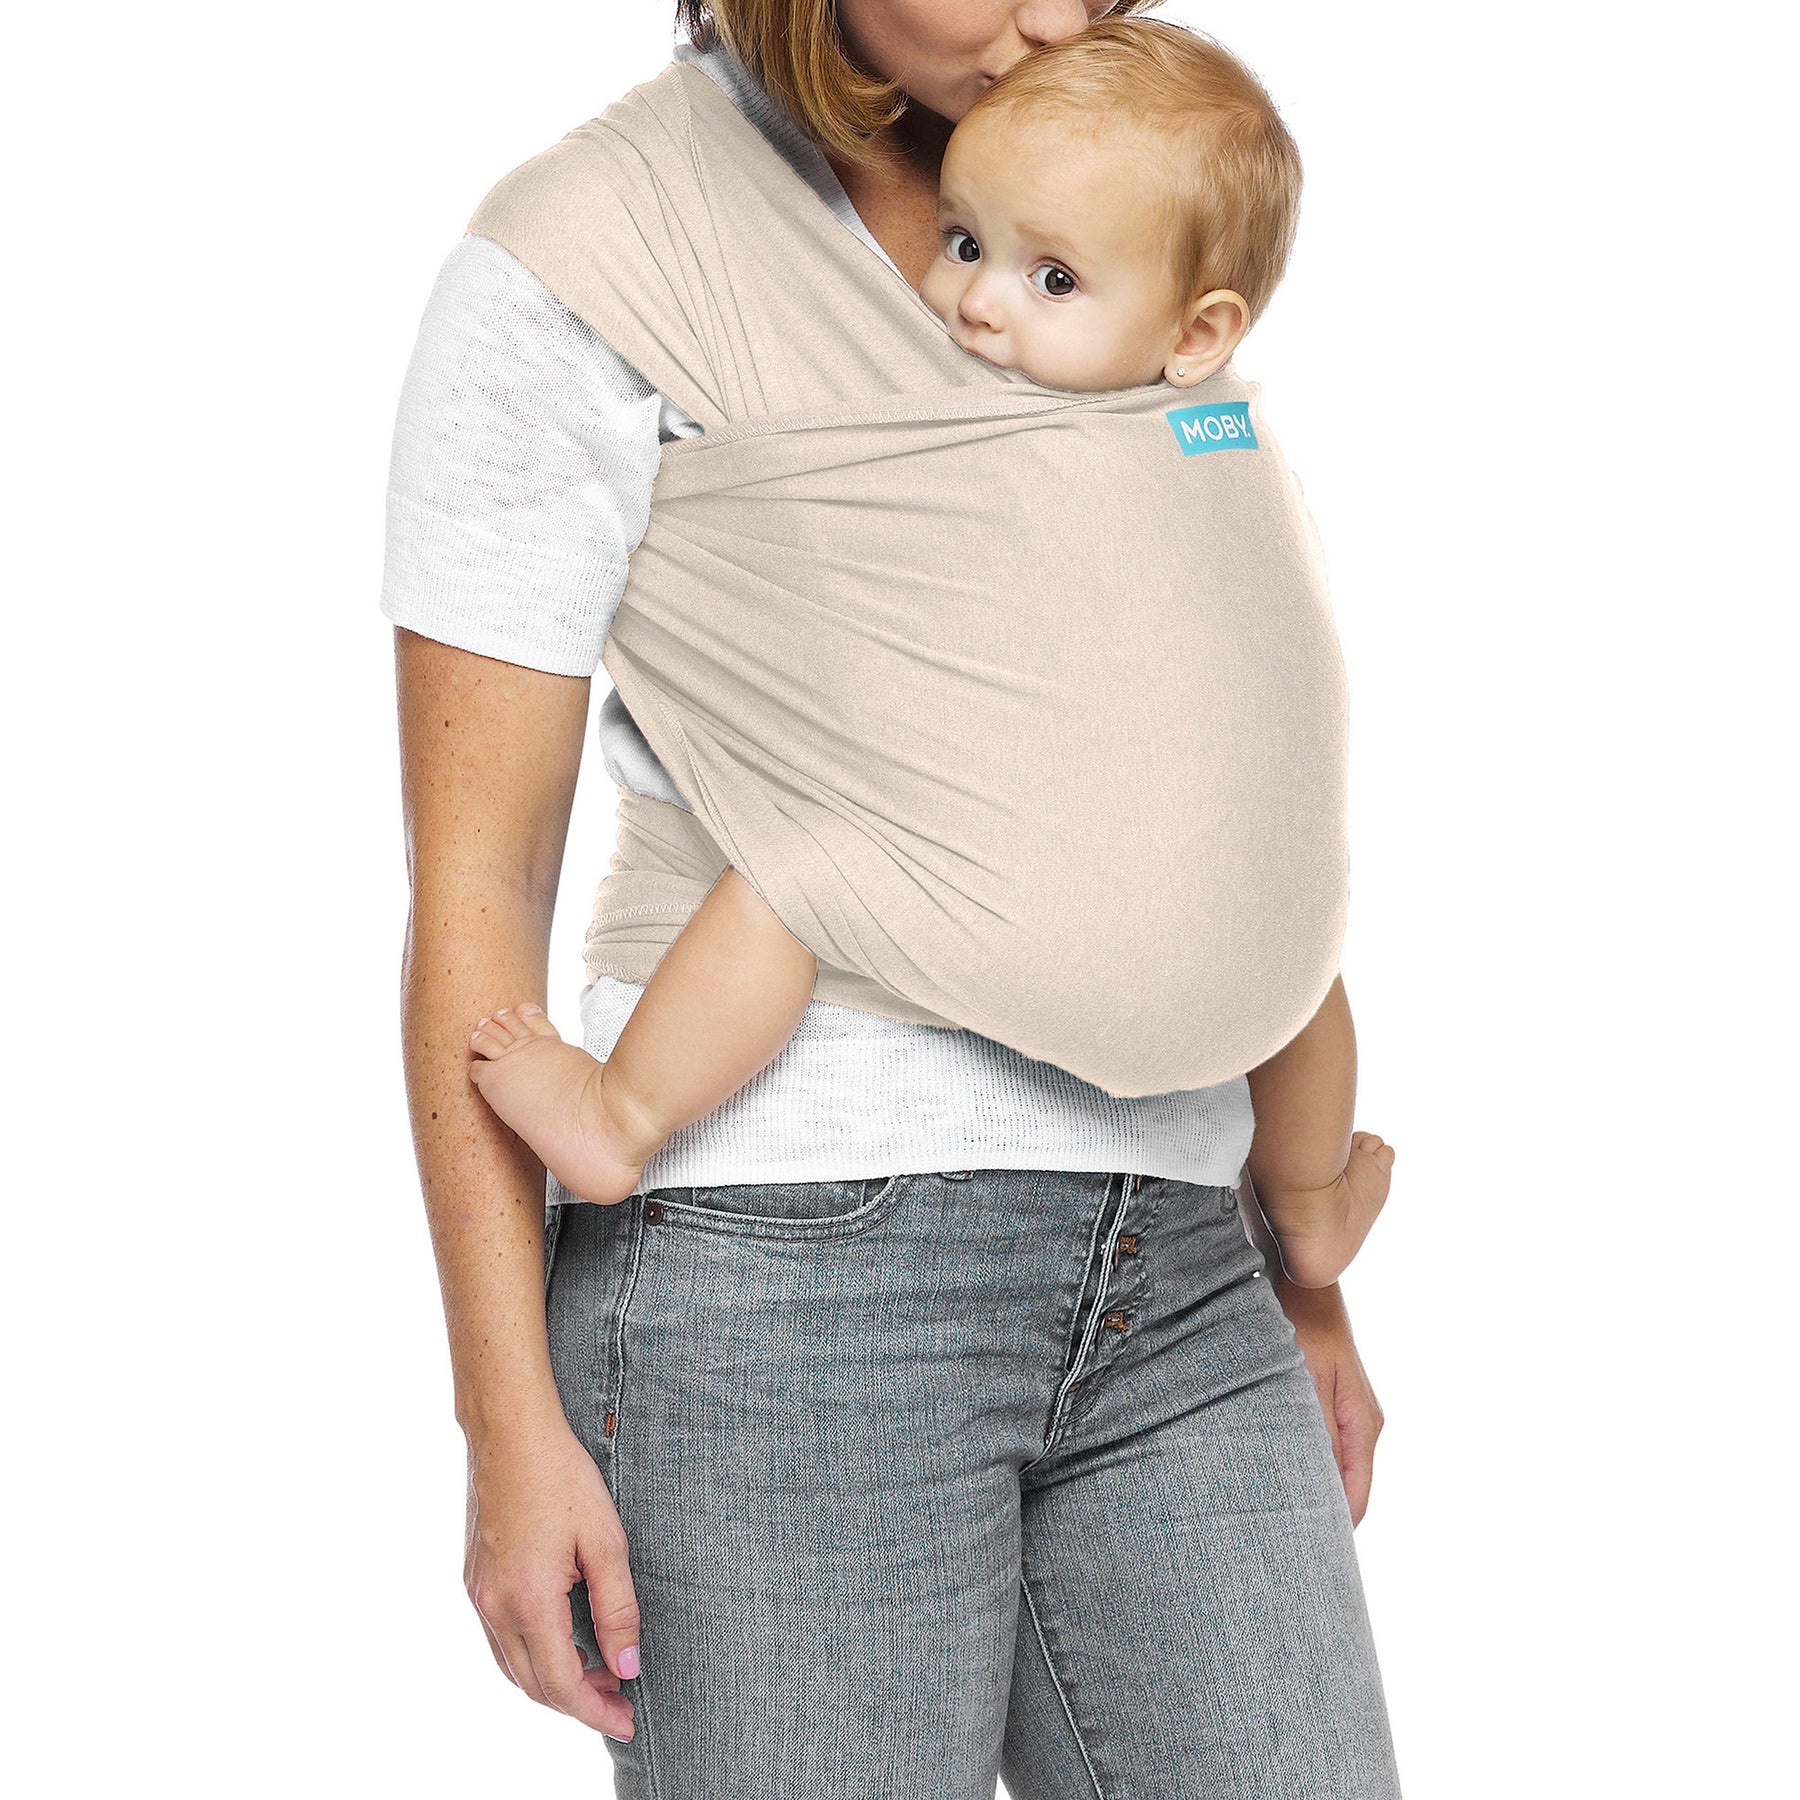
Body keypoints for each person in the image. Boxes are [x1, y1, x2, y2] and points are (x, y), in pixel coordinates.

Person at [384, 3, 1402, 1792]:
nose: (1056, 19)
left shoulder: (1117, 176)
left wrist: (1299, 1281)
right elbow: (480, 874)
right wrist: (504, 1420)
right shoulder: (599, 252)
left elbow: (1171, 756)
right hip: (788, 1276)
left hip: (1180, 1272)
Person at [464, 17, 1395, 1292]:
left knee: (801, 873)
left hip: (1174, 1165)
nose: (979, 301)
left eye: (1051, 280)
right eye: (964, 246)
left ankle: (622, 1112)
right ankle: (1311, 1193)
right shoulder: (1196, 414)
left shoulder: (1113, 432)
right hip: (1221, 999)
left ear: (1197, 337)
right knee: (1289, 943)